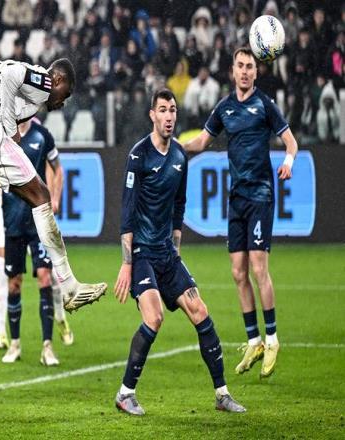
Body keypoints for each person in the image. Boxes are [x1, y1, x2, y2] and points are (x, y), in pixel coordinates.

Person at [0, 58, 106, 364]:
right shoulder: (44, 79)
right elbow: (13, 74)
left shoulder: (10, 79)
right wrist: (11, 131)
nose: (62, 101)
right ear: (59, 80)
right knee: (42, 195)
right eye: (65, 94)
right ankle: (69, 286)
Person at [114, 88, 246, 416]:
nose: (169, 116)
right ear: (152, 115)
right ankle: (125, 393)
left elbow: (178, 206)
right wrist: (127, 264)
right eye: (163, 110)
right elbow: (127, 213)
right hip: (142, 254)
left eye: (172, 110)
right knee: (154, 317)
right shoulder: (138, 155)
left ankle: (222, 394)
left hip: (167, 256)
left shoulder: (179, 156)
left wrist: (175, 251)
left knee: (200, 311)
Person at [184, 48, 299, 378]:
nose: (245, 71)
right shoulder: (224, 108)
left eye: (250, 66)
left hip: (260, 196)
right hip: (236, 199)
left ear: (256, 72)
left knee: (259, 267)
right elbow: (202, 141)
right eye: (240, 66)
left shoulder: (265, 104)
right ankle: (254, 340)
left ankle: (272, 338)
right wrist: (175, 144)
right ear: (232, 71)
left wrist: (288, 162)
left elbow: (291, 142)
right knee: (238, 272)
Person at [0, 120, 74, 352]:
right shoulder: (1, 130)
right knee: (3, 271)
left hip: (36, 213)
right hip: (7, 212)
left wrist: (54, 198)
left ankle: (59, 317)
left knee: (47, 275)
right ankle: (3, 334)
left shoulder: (40, 133)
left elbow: (54, 168)